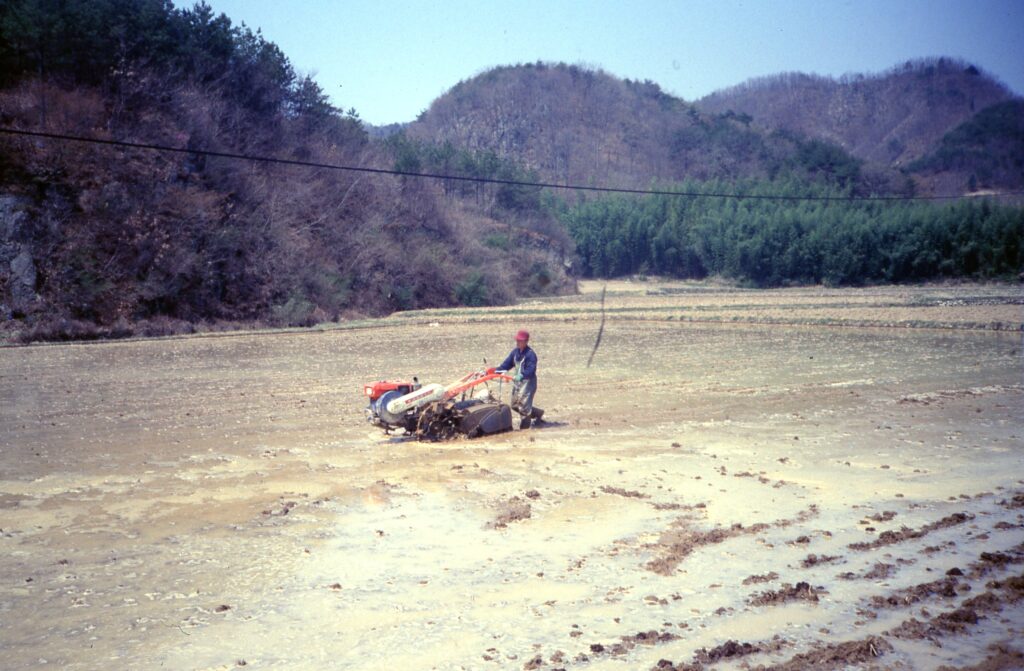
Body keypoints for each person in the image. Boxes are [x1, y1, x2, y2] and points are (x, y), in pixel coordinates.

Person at [493, 329, 543, 429]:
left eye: (520, 341)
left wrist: (521, 375)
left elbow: (531, 369)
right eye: (517, 340)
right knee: (514, 405)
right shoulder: (515, 352)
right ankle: (538, 413)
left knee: (524, 407)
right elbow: (506, 364)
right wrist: (494, 371)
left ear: (526, 342)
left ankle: (524, 430)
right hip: (517, 382)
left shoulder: (531, 354)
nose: (518, 342)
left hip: (528, 382)